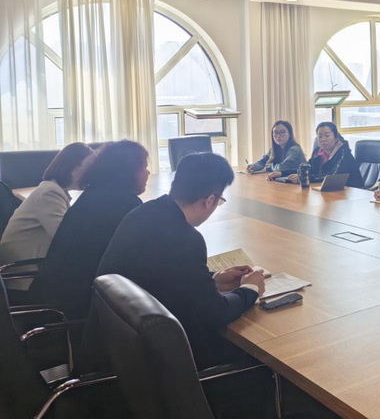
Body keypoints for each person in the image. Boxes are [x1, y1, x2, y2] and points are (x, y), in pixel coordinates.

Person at [97, 152, 264, 368]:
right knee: (262, 356)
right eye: (219, 201)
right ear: (209, 200)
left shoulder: (141, 213)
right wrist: (250, 289)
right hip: (157, 364)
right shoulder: (185, 238)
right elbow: (215, 313)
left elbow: (165, 276)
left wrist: (213, 280)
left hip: (116, 349)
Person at [29, 140, 149, 319]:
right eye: (144, 167)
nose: (147, 173)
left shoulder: (93, 195)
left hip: (56, 294)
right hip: (81, 306)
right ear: (128, 171)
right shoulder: (125, 205)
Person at [0, 142, 95, 293]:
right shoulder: (49, 194)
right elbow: (66, 239)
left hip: (25, 268)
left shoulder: (50, 189)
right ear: (73, 168)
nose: (91, 174)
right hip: (24, 277)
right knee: (91, 280)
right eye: (88, 168)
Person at [287, 122, 365, 189]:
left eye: (327, 135)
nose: (323, 139)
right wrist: (284, 173)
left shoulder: (344, 153)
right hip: (328, 190)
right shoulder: (317, 152)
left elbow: (332, 177)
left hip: (352, 192)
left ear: (336, 137)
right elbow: (307, 169)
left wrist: (305, 178)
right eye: (320, 136)